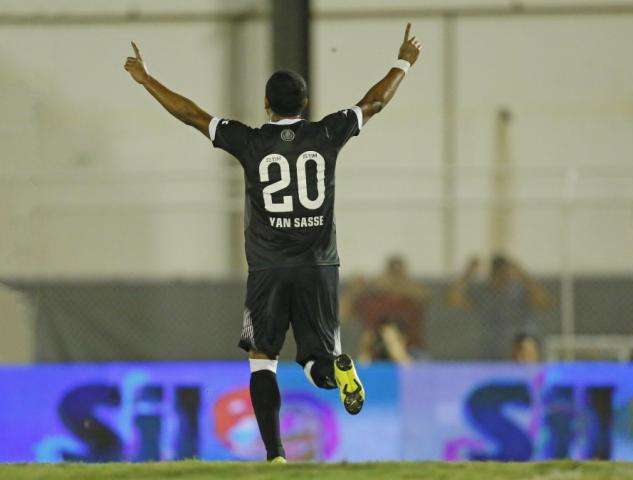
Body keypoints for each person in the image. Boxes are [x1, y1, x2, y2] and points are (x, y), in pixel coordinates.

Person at [124, 24, 422, 462]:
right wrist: (403, 61)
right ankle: (337, 370)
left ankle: (276, 456)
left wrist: (147, 79)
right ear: (305, 104)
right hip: (320, 266)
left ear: (266, 104)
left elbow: (191, 115)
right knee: (318, 359)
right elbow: (375, 101)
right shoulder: (327, 134)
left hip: (268, 269)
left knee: (263, 359)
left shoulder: (250, 140)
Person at [447, 254, 552, 360]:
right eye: (497, 275)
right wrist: (467, 274)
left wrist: (524, 276)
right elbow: (453, 301)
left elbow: (544, 303)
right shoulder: (483, 293)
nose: (501, 279)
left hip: (517, 352)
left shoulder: (518, 292)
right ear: (491, 275)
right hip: (489, 351)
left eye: (504, 274)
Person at [341, 256, 430, 363]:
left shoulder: (411, 299)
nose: (395, 279)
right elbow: (343, 314)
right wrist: (357, 288)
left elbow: (426, 296)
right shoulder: (372, 300)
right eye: (392, 273)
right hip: (374, 348)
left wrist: (395, 344)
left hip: (410, 348)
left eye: (399, 274)